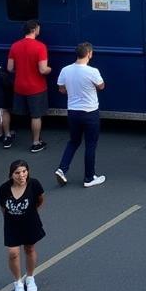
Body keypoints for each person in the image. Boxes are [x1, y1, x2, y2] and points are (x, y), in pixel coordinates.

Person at [53, 42, 106, 188]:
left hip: (73, 112)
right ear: (89, 53)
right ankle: (89, 177)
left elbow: (61, 89)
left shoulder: (65, 70)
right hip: (90, 112)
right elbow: (101, 86)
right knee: (90, 144)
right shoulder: (93, 71)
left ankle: (62, 169)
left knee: (73, 141)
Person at [0, 159, 45, 291]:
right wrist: (9, 218)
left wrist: (32, 212)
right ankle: (18, 282)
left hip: (30, 223)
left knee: (29, 249)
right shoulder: (4, 188)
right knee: (13, 253)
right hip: (12, 224)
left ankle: (30, 277)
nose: (21, 175)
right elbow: (2, 206)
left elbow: (40, 199)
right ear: (11, 174)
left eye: (24, 171)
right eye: (17, 172)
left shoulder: (34, 184)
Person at [7, 19, 52, 153]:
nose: (39, 30)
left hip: (19, 86)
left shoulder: (15, 46)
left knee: (22, 113)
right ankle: (36, 142)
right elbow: (43, 70)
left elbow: (10, 68)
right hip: (36, 87)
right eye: (38, 28)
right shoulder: (40, 47)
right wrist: (50, 69)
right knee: (36, 116)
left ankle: (9, 135)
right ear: (34, 30)